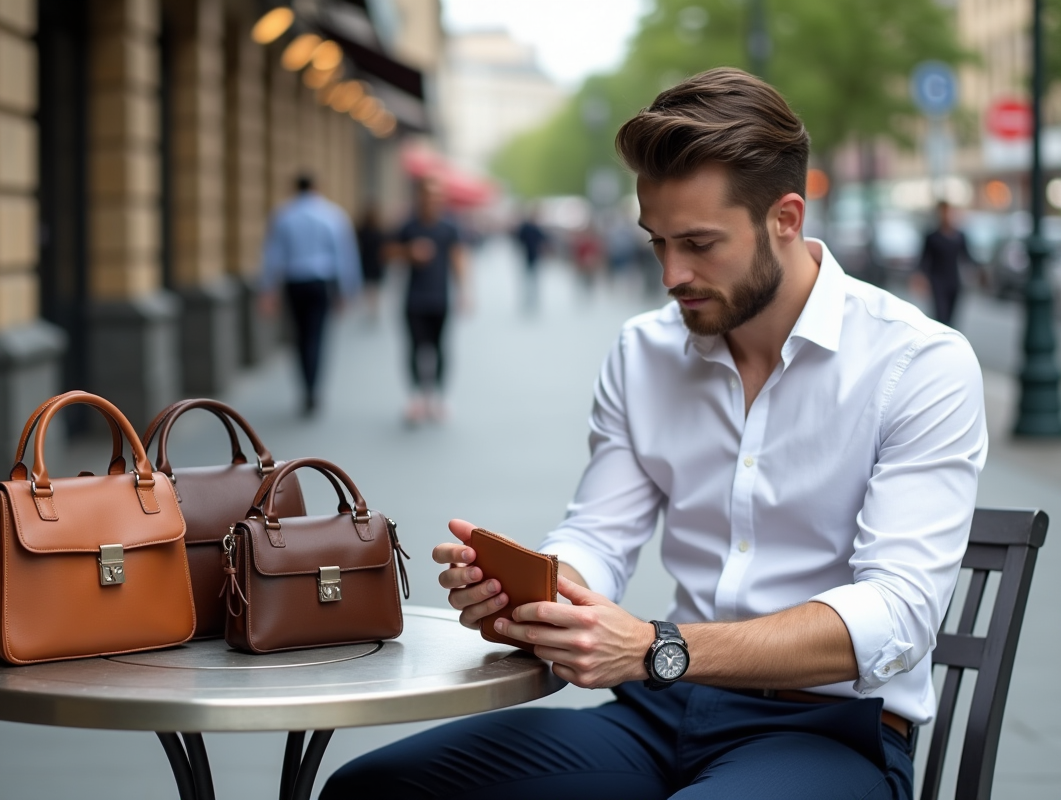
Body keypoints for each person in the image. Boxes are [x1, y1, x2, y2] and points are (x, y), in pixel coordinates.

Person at [323, 68, 986, 799]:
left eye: (700, 243)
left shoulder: (918, 363)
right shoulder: (644, 353)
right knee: (376, 787)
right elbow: (599, 539)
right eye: (657, 242)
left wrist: (656, 647)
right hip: (659, 715)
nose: (673, 274)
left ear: (786, 218)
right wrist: (538, 595)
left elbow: (897, 615)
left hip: (829, 736)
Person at [257, 173, 361, 417]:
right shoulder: (332, 215)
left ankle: (305, 387)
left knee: (300, 337)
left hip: (294, 283)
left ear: (295, 188)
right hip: (321, 283)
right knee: (317, 336)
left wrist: (267, 289)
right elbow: (345, 255)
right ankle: (313, 389)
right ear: (316, 187)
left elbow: (272, 255)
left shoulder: (283, 215)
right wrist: (347, 290)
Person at [393, 178, 469, 424]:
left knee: (440, 348)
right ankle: (416, 398)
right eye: (428, 196)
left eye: (437, 197)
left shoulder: (448, 227)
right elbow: (387, 251)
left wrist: (464, 292)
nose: (432, 201)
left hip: (440, 298)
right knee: (415, 348)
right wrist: (409, 252)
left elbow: (457, 257)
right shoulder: (408, 226)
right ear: (419, 198)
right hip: (414, 299)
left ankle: (437, 397)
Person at [918, 200, 973, 327]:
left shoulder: (959, 236)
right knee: (941, 316)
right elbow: (924, 259)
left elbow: (968, 257)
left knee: (952, 317)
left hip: (954, 281)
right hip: (937, 281)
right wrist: (921, 277)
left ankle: (950, 342)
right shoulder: (932, 237)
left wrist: (979, 270)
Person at [356, 202, 388, 324]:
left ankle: (371, 307)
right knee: (374, 287)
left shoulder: (362, 230)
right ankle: (374, 308)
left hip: (367, 261)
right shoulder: (379, 230)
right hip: (375, 262)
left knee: (369, 287)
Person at [515, 208, 548, 310]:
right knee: (529, 279)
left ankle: (532, 299)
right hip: (528, 256)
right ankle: (529, 299)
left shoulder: (532, 227)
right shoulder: (527, 227)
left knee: (532, 279)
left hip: (533, 256)